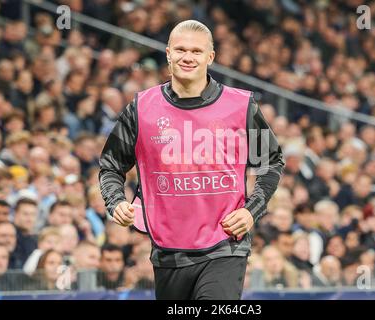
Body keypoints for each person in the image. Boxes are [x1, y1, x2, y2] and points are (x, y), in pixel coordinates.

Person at [99, 20, 284, 300]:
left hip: (224, 246)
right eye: (181, 49)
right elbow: (111, 165)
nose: (188, 57)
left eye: (196, 51)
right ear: (168, 53)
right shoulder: (141, 108)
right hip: (167, 251)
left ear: (210, 57)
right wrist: (116, 202)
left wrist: (250, 211)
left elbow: (269, 163)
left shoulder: (241, 106)